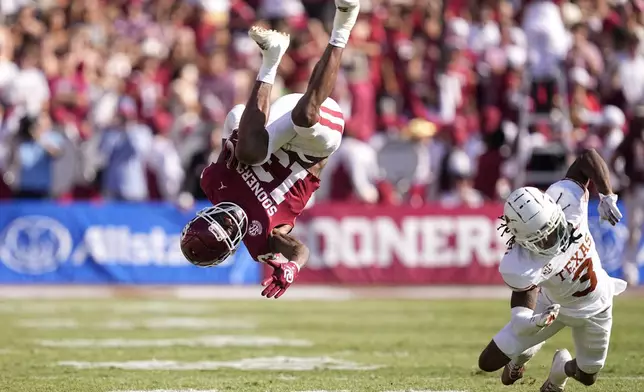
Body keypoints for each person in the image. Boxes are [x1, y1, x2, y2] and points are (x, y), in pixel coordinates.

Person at [180, 0, 358, 299]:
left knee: (241, 128)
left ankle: (271, 58)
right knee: (301, 118)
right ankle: (344, 23)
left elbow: (241, 139)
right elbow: (299, 249)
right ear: (232, 243)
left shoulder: (214, 181)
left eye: (215, 217)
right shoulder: (261, 241)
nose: (228, 217)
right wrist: (291, 267)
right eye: (226, 226)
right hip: (312, 148)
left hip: (276, 129)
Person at [477, 148, 628, 392]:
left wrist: (607, 195)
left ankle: (560, 371)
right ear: (522, 240)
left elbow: (587, 157)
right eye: (541, 238)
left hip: (596, 305)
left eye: (553, 228)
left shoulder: (566, 199)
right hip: (551, 305)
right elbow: (523, 303)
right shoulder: (521, 262)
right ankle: (522, 355)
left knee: (588, 375)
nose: (552, 239)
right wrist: (530, 322)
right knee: (487, 363)